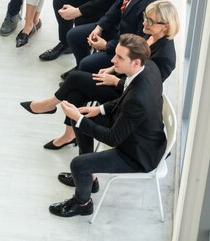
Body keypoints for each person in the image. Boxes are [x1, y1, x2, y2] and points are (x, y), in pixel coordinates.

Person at [21, 0, 179, 150]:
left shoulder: (165, 57)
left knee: (75, 78)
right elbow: (130, 58)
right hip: (120, 82)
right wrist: (111, 69)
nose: (144, 22)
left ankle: (50, 105)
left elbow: (147, 87)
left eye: (150, 21)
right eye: (145, 17)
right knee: (76, 95)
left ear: (165, 27)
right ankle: (69, 136)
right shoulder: (149, 35)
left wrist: (115, 80)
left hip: (125, 97)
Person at [49, 34, 167, 218]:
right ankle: (90, 177)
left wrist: (80, 119)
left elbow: (113, 138)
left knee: (78, 164)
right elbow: (125, 96)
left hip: (138, 154)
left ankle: (83, 203)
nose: (113, 60)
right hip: (136, 131)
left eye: (120, 57)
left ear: (135, 62)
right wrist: (100, 109)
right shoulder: (148, 67)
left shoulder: (139, 99)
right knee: (83, 117)